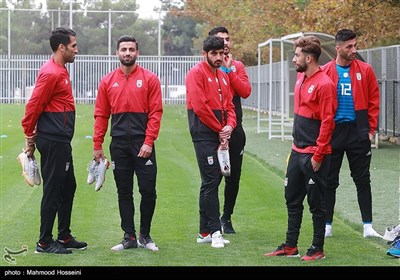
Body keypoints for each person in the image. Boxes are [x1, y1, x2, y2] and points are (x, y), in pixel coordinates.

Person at [264, 35, 337, 260]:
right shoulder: (301, 76)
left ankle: (317, 248)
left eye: (296, 55)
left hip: (314, 155)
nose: (293, 59)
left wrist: (319, 153)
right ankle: (290, 246)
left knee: (317, 204)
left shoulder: (325, 85)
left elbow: (328, 121)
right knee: (292, 199)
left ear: (308, 58)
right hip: (297, 152)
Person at [93, 35, 163, 252]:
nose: (127, 53)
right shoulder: (107, 81)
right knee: (124, 192)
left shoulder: (150, 79)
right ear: (117, 53)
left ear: (137, 53)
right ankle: (129, 237)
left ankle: (145, 235)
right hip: (119, 145)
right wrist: (97, 144)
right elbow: (101, 115)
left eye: (131, 49)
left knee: (148, 191)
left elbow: (156, 113)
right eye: (123, 49)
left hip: (143, 145)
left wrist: (148, 141)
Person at [21, 27, 87, 254]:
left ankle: (64, 236)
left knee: (69, 186)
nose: (77, 50)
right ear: (62, 47)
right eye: (74, 46)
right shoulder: (51, 73)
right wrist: (29, 136)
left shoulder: (61, 70)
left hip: (61, 140)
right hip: (53, 140)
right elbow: (33, 105)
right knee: (53, 189)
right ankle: (44, 242)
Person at [321, 29, 381, 238]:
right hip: (334, 132)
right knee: (330, 180)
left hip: (358, 132)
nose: (354, 50)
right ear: (338, 48)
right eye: (349, 46)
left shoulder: (365, 70)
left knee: (363, 179)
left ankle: (368, 226)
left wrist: (370, 130)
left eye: (355, 45)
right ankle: (327, 225)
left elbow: (374, 101)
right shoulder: (326, 71)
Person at [186, 35, 237, 248]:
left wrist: (230, 126)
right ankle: (216, 231)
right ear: (204, 54)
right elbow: (200, 107)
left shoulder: (223, 76)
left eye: (221, 54)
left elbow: (230, 106)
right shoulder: (195, 74)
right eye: (213, 54)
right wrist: (220, 130)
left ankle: (204, 231)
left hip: (219, 133)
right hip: (204, 133)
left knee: (213, 181)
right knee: (210, 181)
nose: (218, 57)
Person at [208, 26, 252, 234]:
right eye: (220, 39)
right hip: (213, 131)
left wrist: (230, 70)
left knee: (233, 177)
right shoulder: (207, 69)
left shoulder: (238, 66)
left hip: (235, 130)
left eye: (227, 39)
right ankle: (211, 219)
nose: (225, 43)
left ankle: (227, 217)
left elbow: (245, 92)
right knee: (213, 177)